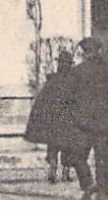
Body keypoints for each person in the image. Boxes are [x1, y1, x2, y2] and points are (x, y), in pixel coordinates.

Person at [67, 36, 108, 199]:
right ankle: (104, 194)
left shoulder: (77, 72)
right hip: (103, 124)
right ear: (98, 51)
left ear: (85, 52)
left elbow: (69, 99)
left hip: (83, 124)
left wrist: (75, 117)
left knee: (77, 157)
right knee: (102, 160)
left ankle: (88, 185)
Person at [24, 51, 80, 185]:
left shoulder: (54, 80)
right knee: (66, 147)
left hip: (57, 119)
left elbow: (42, 101)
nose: (64, 65)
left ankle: (54, 171)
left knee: (55, 147)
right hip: (65, 119)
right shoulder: (71, 81)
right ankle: (61, 172)